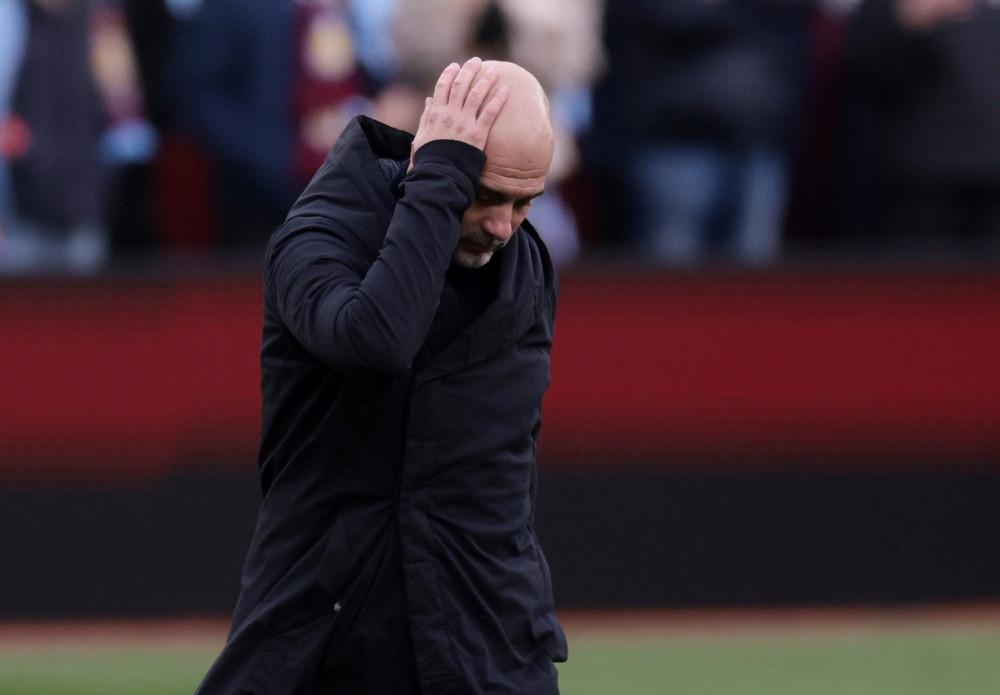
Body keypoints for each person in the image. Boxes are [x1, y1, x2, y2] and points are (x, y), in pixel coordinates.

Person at [195, 58, 566, 695]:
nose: (505, 227)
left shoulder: (523, 265)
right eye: (486, 196)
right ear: (432, 161)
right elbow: (376, 341)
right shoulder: (314, 240)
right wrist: (441, 181)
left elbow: (507, 472)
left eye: (524, 202)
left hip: (488, 645)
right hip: (322, 641)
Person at [844, 0, 1000, 255]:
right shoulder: (886, 10)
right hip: (923, 177)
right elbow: (863, 73)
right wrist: (911, 23)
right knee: (923, 282)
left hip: (992, 174)